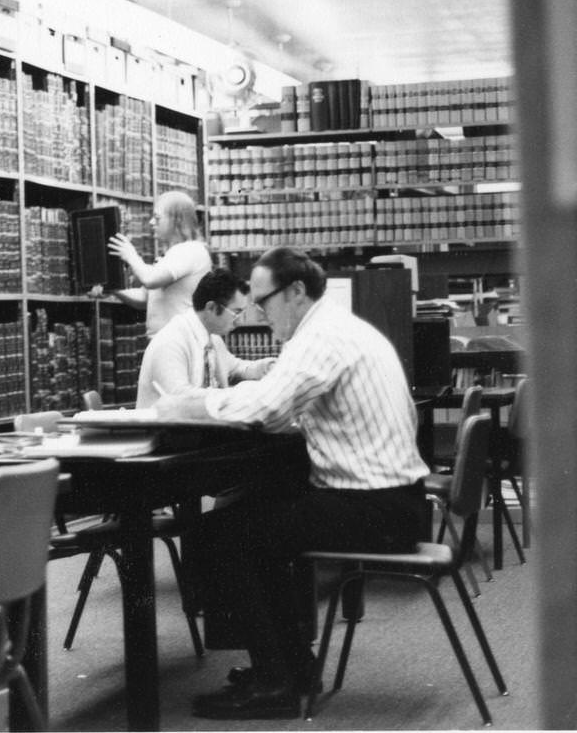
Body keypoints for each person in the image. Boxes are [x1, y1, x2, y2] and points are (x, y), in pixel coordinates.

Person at [154, 246, 430, 720]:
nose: (259, 313)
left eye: (264, 301)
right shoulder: (335, 327)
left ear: (297, 292)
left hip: (378, 507)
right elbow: (278, 397)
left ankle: (277, 682)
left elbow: (269, 408)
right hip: (392, 501)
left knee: (226, 534)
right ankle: (290, 668)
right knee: (250, 519)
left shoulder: (320, 337)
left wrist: (188, 405)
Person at [135, 268, 275, 408]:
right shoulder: (171, 342)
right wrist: (236, 394)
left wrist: (263, 367)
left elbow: (235, 368)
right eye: (236, 313)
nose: (239, 321)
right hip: (164, 427)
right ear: (211, 307)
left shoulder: (212, 337)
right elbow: (179, 396)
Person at [101, 191, 212, 337]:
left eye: (157, 218)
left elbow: (150, 280)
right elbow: (144, 298)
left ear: (176, 220)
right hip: (168, 341)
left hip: (181, 341)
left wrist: (130, 255)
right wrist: (110, 289)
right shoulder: (172, 254)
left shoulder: (191, 250)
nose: (151, 222)